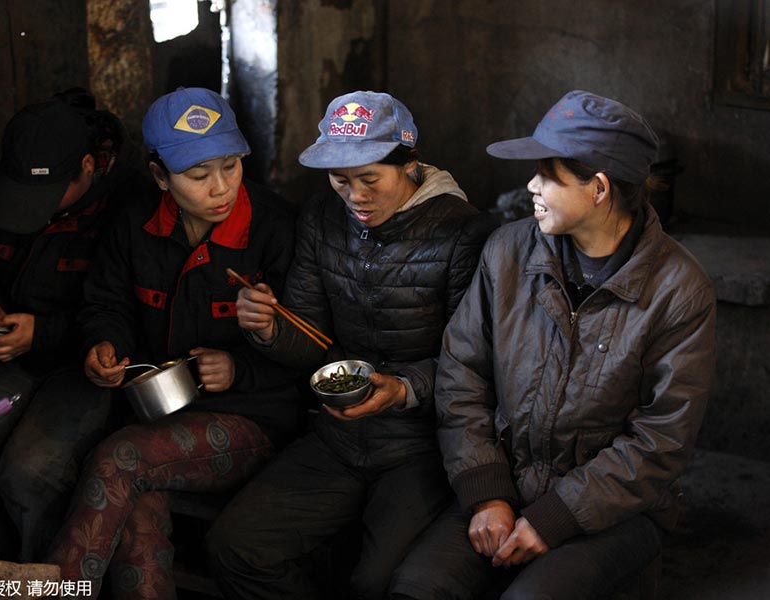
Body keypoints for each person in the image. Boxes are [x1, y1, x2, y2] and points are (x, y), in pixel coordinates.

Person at [389, 90, 717, 599]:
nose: (530, 185)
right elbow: (462, 373)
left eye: (548, 174)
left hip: (616, 510)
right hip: (505, 483)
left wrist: (555, 517)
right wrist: (487, 493)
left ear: (599, 188)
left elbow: (660, 442)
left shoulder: (678, 289)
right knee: (417, 588)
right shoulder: (508, 251)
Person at [207, 90, 497, 600]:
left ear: (409, 165)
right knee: (236, 545)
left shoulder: (464, 231)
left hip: (420, 446)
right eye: (341, 180)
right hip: (337, 437)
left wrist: (404, 387)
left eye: (369, 180)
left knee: (375, 582)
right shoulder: (321, 216)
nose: (355, 196)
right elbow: (308, 334)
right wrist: (269, 327)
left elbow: (471, 363)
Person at [46, 87, 303, 600]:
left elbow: (316, 344)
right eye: (198, 175)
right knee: (139, 505)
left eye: (230, 166)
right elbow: (106, 302)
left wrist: (240, 367)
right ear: (160, 175)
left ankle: (49, 593)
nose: (221, 187)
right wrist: (103, 343)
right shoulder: (135, 222)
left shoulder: (277, 229)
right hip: (159, 418)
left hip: (254, 418)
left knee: (121, 459)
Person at [0, 91, 134, 561]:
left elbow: (129, 313)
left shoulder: (130, 208)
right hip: (12, 359)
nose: (34, 209)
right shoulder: (4, 199)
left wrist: (47, 332)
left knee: (29, 472)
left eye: (47, 195)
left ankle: (48, 583)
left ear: (88, 166)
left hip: (83, 368)